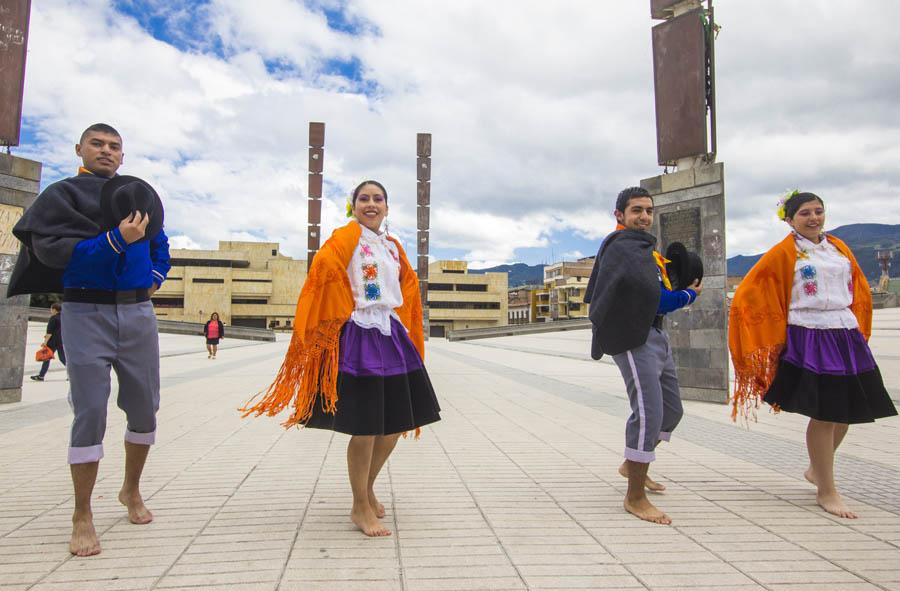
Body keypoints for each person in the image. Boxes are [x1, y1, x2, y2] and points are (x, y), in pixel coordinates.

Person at [242, 179, 441, 537]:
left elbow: (407, 287)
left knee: (394, 424)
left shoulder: (393, 246)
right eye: (363, 198)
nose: (371, 204)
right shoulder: (342, 240)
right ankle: (359, 506)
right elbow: (321, 276)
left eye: (378, 199)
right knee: (365, 427)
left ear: (387, 207)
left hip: (391, 333)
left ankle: (366, 489)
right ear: (353, 206)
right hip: (358, 334)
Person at [10, 123, 170, 556]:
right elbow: (54, 252)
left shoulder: (137, 194)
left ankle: (130, 491)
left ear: (123, 155)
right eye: (97, 144)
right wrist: (117, 240)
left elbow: (160, 243)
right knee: (90, 411)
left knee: (144, 408)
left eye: (114, 146)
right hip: (85, 310)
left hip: (138, 312)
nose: (106, 151)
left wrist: (154, 276)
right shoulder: (61, 197)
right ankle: (82, 513)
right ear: (79, 148)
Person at [728, 190, 896, 518]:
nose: (813, 218)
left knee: (847, 410)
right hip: (810, 333)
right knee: (826, 412)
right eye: (805, 213)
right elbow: (750, 291)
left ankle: (818, 468)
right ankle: (827, 489)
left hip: (843, 332)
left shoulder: (838, 247)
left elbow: (857, 286)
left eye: (818, 211)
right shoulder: (782, 253)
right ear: (789, 220)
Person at [584, 186, 701, 525]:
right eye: (636, 210)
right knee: (648, 412)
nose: (644, 217)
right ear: (619, 214)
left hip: (655, 334)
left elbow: (655, 293)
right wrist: (688, 297)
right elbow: (656, 299)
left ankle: (632, 463)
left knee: (672, 411)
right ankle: (635, 496)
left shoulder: (644, 248)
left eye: (649, 210)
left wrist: (678, 291)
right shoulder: (623, 248)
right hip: (632, 336)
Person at [31, 302, 66, 381]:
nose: (51, 310)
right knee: (62, 358)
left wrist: (45, 342)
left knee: (46, 358)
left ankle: (41, 376)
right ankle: (71, 374)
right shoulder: (63, 318)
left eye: (51, 309)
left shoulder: (53, 318)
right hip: (60, 341)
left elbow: (49, 333)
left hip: (52, 342)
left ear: (54, 309)